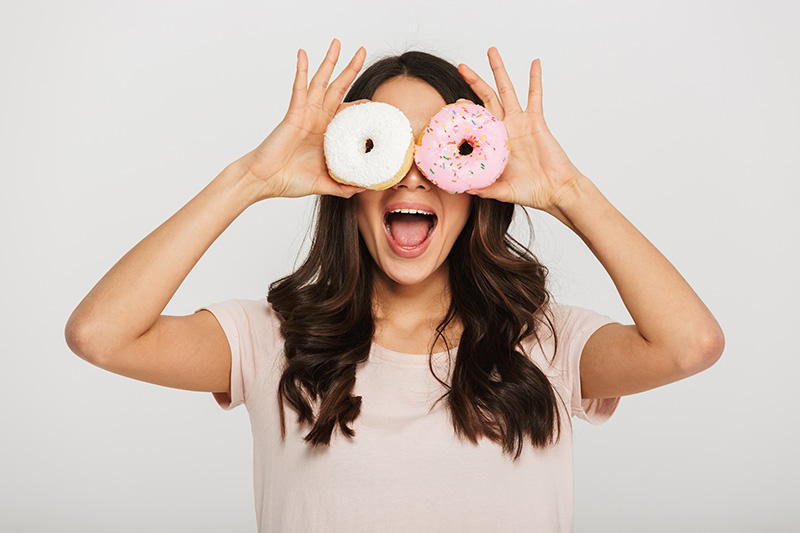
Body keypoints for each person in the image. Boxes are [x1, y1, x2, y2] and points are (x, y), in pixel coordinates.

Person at [65, 39, 724, 532]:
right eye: (383, 145)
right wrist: (251, 178)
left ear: (478, 183)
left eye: (439, 148)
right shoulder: (273, 338)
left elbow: (690, 343)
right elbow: (100, 334)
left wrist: (569, 191)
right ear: (348, 178)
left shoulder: (546, 341)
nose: (413, 175)